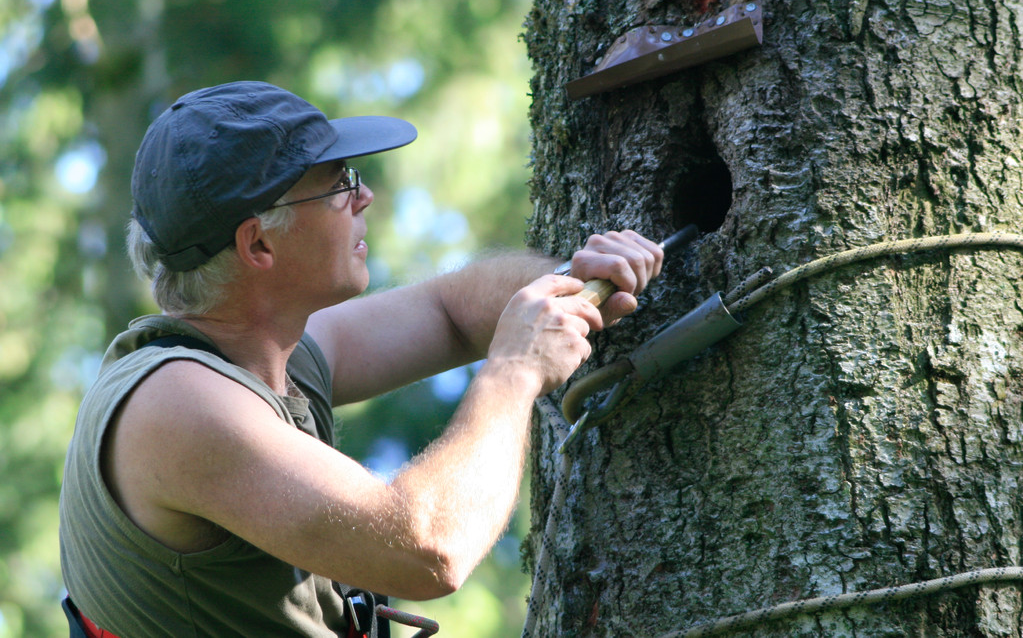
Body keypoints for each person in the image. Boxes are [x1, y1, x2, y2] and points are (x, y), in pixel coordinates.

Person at [58, 80, 663, 637]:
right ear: (258, 243)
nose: (365, 195)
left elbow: (447, 309)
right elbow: (429, 549)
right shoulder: (178, 405)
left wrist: (571, 285)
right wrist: (515, 370)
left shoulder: (260, 356)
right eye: (338, 182)